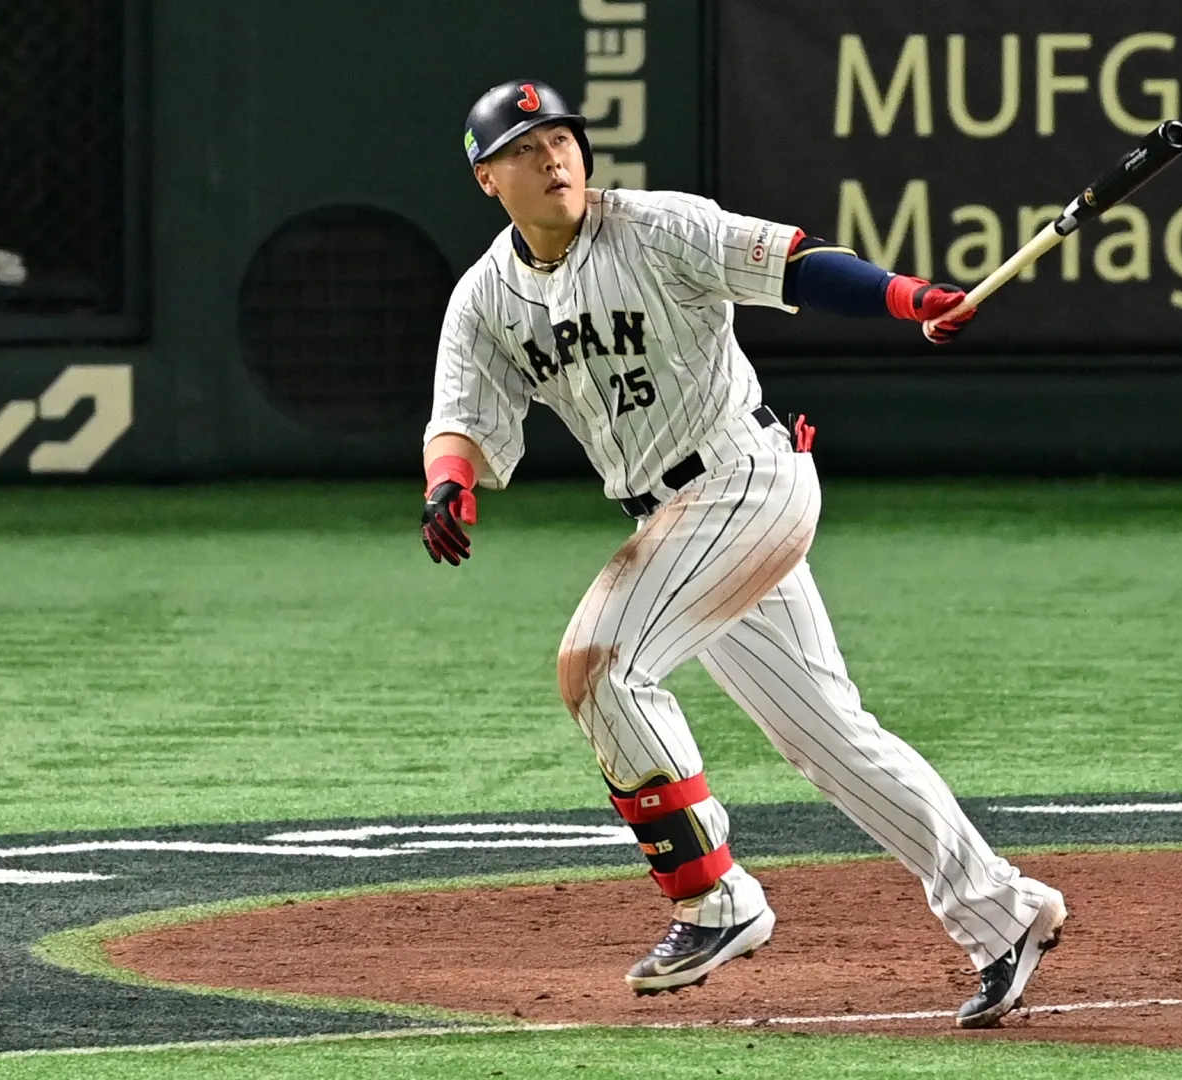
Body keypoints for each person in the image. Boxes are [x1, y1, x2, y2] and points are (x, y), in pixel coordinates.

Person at [420, 79, 1066, 1029]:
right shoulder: (486, 298)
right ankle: (1005, 913)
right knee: (830, 739)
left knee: (598, 666)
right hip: (672, 519)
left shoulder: (656, 227)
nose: (553, 158)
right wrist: (450, 483)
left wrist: (904, 296)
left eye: (562, 138)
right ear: (488, 179)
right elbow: (461, 418)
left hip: (744, 482)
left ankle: (715, 897)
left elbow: (795, 264)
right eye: (525, 148)